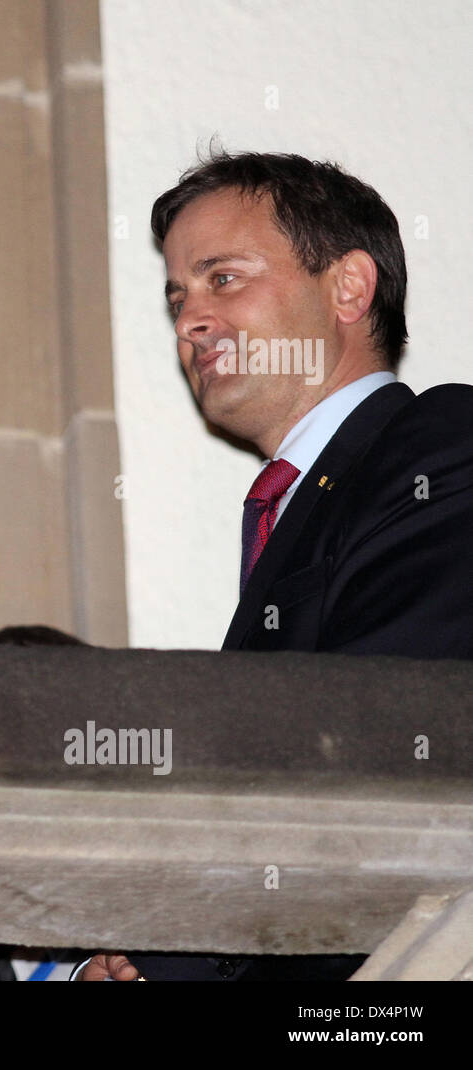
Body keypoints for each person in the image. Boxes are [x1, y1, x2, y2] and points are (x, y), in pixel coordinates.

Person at [77, 150, 473, 981]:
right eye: (178, 295)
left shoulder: (439, 444)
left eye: (223, 278)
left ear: (349, 289)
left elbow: (374, 737)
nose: (189, 319)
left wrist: (163, 952)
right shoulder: (296, 504)